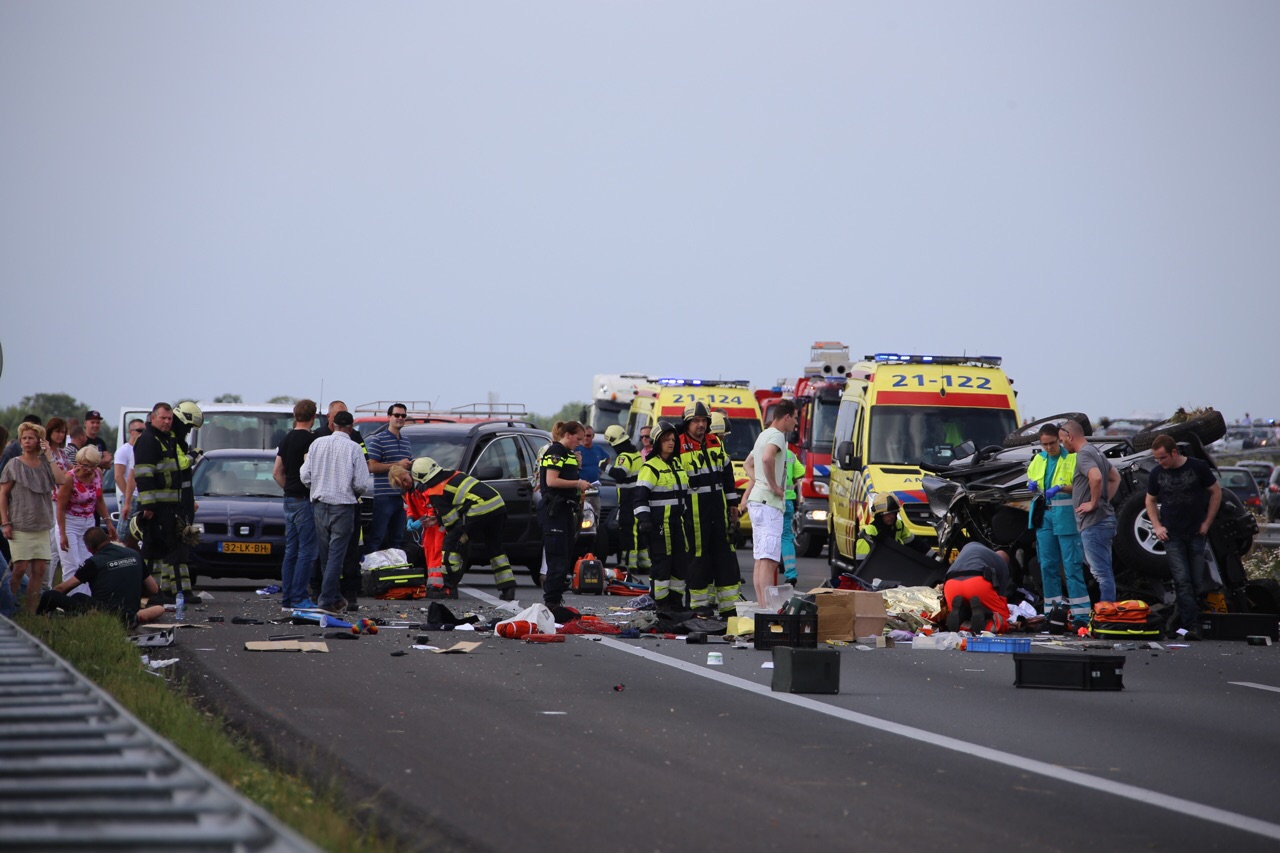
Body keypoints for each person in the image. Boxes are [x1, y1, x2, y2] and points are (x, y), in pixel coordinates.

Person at [409, 456, 517, 601]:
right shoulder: (452, 473)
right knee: (495, 549)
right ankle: (508, 588)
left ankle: (448, 588)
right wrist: (438, 518)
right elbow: (463, 501)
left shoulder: (435, 491)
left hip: (479, 510)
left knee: (450, 545)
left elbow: (451, 521)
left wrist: (455, 534)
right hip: (497, 506)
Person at [1146, 434, 1222, 640]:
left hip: (1196, 533)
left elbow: (1216, 492)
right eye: (1157, 459)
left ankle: (1175, 622)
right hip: (1172, 535)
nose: (1160, 462)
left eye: (1163, 458)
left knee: (1196, 581)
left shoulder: (1198, 467)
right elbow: (1150, 500)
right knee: (1182, 581)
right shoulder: (1157, 474)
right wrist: (1157, 526)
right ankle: (1192, 626)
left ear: (1174, 452)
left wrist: (1207, 522)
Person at [301, 410, 371, 616]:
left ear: (333, 425)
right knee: (336, 556)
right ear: (351, 427)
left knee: (325, 555)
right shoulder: (354, 448)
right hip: (343, 505)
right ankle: (325, 599)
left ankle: (334, 598)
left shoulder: (317, 444)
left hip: (320, 504)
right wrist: (352, 491)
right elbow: (360, 483)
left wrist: (317, 486)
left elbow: (305, 475)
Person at [677, 402, 742, 618]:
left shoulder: (715, 441)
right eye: (696, 421)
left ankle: (729, 607)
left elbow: (727, 474)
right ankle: (698, 607)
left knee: (725, 557)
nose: (701, 425)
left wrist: (733, 504)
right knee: (698, 558)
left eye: (704, 420)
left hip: (718, 509)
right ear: (687, 423)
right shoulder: (678, 445)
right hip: (694, 513)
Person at [1026, 424, 1090, 629]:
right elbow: (1033, 481)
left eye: (1052, 443)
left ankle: (1082, 616)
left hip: (1065, 518)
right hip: (1044, 517)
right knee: (1047, 566)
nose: (1048, 447)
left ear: (1059, 439)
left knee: (1072, 567)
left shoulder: (1072, 458)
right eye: (1044, 444)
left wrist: (1061, 488)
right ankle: (1052, 615)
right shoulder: (1039, 459)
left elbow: (1081, 486)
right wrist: (1032, 486)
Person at [36, 527, 165, 625]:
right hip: (129, 617)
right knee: (78, 596)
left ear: (89, 549)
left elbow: (61, 589)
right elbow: (153, 589)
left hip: (105, 616)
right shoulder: (134, 554)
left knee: (49, 595)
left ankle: (39, 619)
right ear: (108, 539)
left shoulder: (94, 562)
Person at [0, 422, 66, 613]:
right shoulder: (14, 464)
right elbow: (3, 494)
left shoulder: (45, 464)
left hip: (42, 525)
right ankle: (10, 608)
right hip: (20, 524)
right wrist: (5, 522)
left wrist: (49, 456)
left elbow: (61, 479)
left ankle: (30, 612)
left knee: (39, 570)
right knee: (19, 568)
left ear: (39, 441)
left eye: (31, 438)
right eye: (24, 438)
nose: (27, 441)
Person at [134, 402, 195, 601]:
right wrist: (148, 506)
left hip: (169, 505)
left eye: (169, 419)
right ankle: (148, 593)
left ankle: (159, 593)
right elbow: (144, 475)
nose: (167, 422)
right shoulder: (148, 440)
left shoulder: (166, 439)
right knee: (153, 550)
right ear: (153, 418)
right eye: (163, 418)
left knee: (164, 548)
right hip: (157, 506)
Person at [633, 421, 691, 611]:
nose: (671, 443)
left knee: (679, 565)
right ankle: (660, 604)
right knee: (661, 567)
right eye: (667, 440)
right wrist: (645, 521)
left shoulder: (677, 464)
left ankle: (675, 604)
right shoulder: (650, 467)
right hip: (658, 526)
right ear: (658, 442)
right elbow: (640, 499)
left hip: (676, 524)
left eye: (673, 440)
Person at [1060, 419, 1119, 603]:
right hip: (1104, 520)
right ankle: (1107, 613)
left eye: (1062, 440)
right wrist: (1104, 500)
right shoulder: (1096, 451)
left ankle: (1107, 616)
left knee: (1101, 573)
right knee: (1105, 570)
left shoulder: (1083, 455)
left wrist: (1094, 503)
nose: (1062, 444)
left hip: (1094, 523)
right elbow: (1115, 477)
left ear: (1070, 436)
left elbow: (1096, 477)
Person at [745, 400, 798, 606]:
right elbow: (767, 459)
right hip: (769, 504)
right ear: (786, 417)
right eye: (794, 418)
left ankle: (762, 607)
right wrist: (774, 486)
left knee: (761, 560)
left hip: (757, 501)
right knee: (769, 561)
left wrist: (759, 481)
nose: (795, 423)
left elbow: (749, 464)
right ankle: (767, 609)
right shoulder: (777, 435)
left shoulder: (763, 434)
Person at [537, 420, 591, 610]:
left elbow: (566, 476)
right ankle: (551, 604)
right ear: (567, 434)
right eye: (578, 438)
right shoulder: (556, 451)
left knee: (564, 556)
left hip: (565, 510)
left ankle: (555, 600)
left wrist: (577, 468)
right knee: (557, 558)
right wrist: (578, 484)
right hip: (555, 511)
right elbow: (551, 481)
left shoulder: (567, 453)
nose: (580, 442)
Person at [273, 399, 319, 612]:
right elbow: (308, 471)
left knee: (291, 550)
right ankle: (300, 597)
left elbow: (277, 472)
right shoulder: (311, 440)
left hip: (288, 499)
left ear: (295, 416)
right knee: (306, 551)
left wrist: (288, 489)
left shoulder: (286, 438)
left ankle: (287, 599)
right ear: (313, 417)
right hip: (304, 500)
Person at [57, 446, 116, 595]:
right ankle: (71, 601)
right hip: (70, 522)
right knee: (72, 564)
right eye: (85, 465)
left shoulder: (99, 474)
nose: (88, 469)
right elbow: (61, 508)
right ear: (78, 463)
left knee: (88, 562)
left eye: (92, 465)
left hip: (88, 522)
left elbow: (100, 500)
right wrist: (62, 534)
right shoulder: (69, 478)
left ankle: (87, 598)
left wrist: (108, 523)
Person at [364, 402, 413, 554]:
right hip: (384, 496)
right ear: (389, 417)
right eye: (396, 415)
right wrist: (397, 464)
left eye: (403, 416)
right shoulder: (378, 439)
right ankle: (369, 569)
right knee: (377, 537)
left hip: (402, 497)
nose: (400, 418)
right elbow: (371, 466)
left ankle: (394, 571)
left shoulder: (406, 442)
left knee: (397, 539)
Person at [390, 466, 445, 593]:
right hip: (428, 525)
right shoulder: (407, 491)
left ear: (409, 474)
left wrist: (420, 521)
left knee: (437, 550)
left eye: (405, 480)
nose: (405, 484)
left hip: (436, 522)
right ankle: (433, 582)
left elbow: (431, 507)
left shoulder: (422, 486)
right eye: (401, 484)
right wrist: (410, 518)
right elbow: (410, 507)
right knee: (429, 551)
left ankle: (440, 583)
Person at [943, 542, 1012, 634]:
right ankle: (983, 627)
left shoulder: (967, 551)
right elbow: (1001, 596)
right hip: (977, 584)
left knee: (968, 605)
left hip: (951, 586)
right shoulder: (1002, 565)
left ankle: (962, 620)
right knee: (1003, 620)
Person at [604, 425, 647, 574]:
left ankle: (628, 563)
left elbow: (620, 474)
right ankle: (644, 562)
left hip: (628, 499)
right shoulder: (635, 453)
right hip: (637, 496)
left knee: (628, 530)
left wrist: (605, 466)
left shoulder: (624, 456)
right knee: (638, 531)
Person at [853, 493, 926, 562]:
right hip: (876, 572)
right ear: (879, 516)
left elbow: (917, 544)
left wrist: (935, 557)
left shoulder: (899, 525)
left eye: (894, 513)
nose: (891, 516)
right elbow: (862, 564)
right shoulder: (867, 533)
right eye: (887, 514)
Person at [115, 418, 145, 549]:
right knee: (123, 533)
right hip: (131, 496)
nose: (142, 433)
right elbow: (118, 475)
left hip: (142, 496)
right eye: (139, 430)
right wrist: (129, 496)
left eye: (144, 430)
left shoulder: (143, 448)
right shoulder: (124, 450)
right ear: (130, 431)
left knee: (138, 533)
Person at [576, 426, 610, 523]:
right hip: (582, 491)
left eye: (588, 435)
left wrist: (601, 472)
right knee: (583, 518)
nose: (586, 438)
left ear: (593, 436)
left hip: (595, 490)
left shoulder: (598, 449)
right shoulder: (577, 450)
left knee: (596, 516)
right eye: (584, 436)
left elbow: (607, 458)